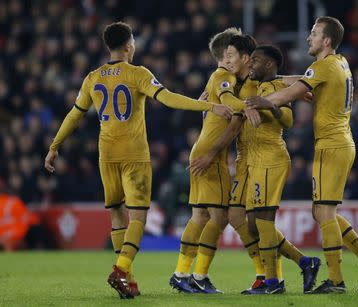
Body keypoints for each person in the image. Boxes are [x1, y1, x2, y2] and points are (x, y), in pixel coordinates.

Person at [44, 21, 232, 299]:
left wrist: (54, 146)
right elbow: (167, 98)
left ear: (109, 46)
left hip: (106, 155)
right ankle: (121, 269)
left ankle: (127, 280)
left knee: (117, 213)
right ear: (130, 45)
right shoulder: (137, 73)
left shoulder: (93, 77)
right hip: (134, 155)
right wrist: (209, 105)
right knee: (139, 217)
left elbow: (75, 114)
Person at [246, 16, 358, 294]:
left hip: (331, 145)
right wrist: (277, 85)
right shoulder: (339, 63)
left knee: (325, 213)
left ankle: (335, 280)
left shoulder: (322, 66)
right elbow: (299, 82)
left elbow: (290, 94)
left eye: (314, 33)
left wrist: (258, 101)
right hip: (342, 142)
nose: (309, 38)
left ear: (327, 41)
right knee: (322, 212)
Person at [190, 42, 321, 295]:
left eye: (256, 61)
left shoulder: (275, 89)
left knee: (261, 221)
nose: (251, 65)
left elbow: (289, 120)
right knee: (238, 217)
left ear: (269, 64)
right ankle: (305, 262)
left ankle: (273, 282)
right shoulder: (248, 86)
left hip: (269, 157)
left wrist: (268, 105)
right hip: (244, 160)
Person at [169, 27, 249, 294]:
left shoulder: (215, 78)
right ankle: (197, 276)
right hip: (210, 154)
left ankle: (183, 274)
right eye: (237, 54)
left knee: (201, 215)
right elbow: (228, 101)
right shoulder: (224, 77)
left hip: (203, 150)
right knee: (219, 216)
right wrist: (256, 104)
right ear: (227, 57)